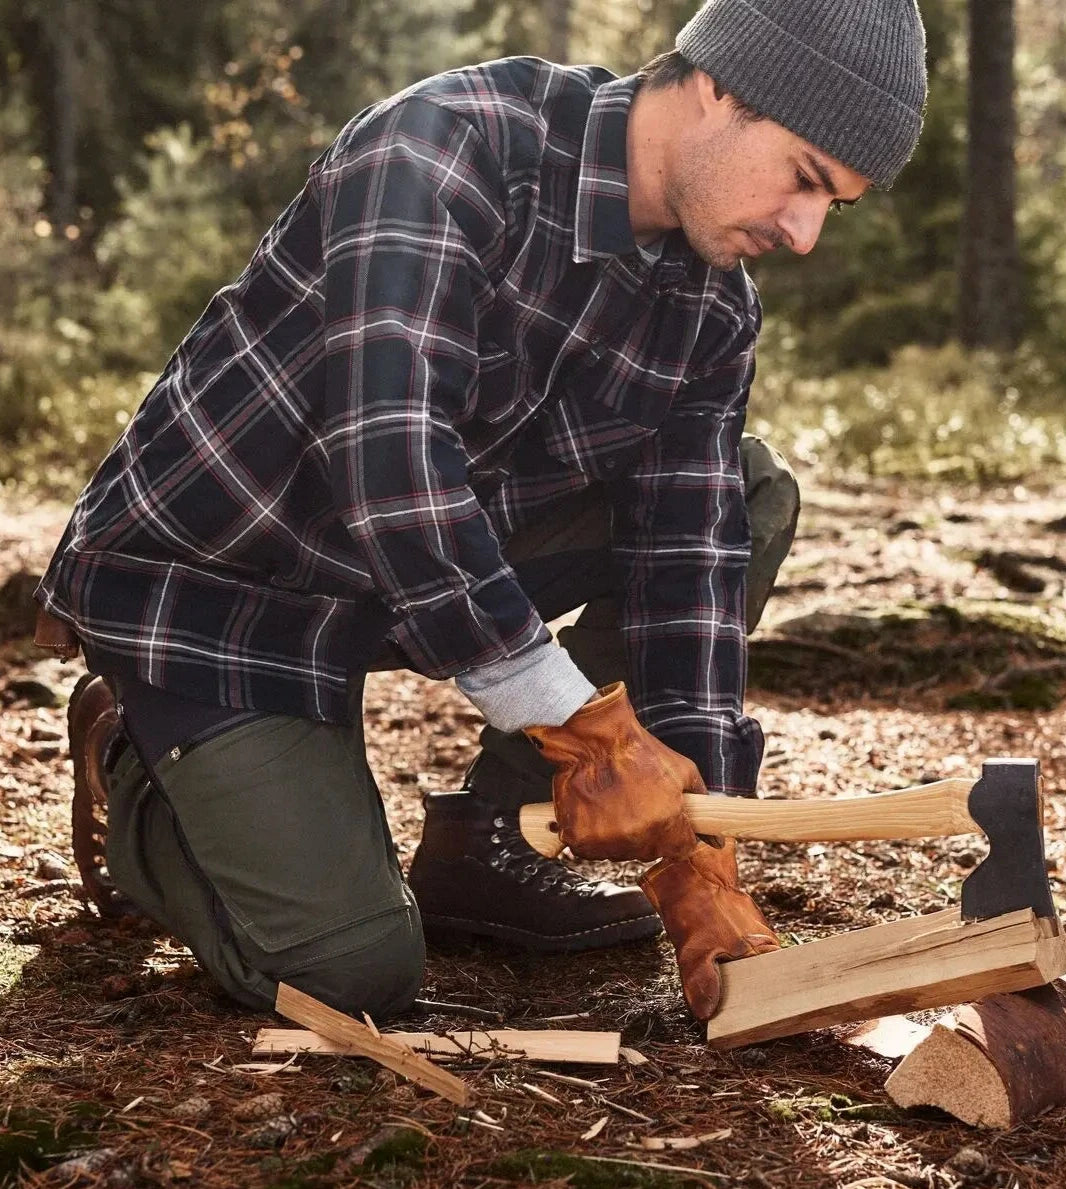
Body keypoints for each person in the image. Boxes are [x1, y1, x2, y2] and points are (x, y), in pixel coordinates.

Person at [36, 0, 927, 1023]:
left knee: (741, 492)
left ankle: (493, 842)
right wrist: (583, 730)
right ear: (718, 85)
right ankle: (131, 759)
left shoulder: (712, 308)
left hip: (410, 583)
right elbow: (391, 457)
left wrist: (696, 865)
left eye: (837, 207)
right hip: (217, 590)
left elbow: (684, 566)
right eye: (805, 177)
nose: (805, 233)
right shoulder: (444, 146)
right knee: (348, 972)